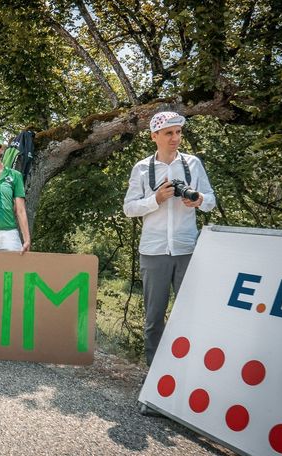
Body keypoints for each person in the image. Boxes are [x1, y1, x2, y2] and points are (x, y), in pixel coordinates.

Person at [123, 111, 216, 373]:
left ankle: (186, 377)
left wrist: (198, 200)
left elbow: (210, 200)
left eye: (178, 132)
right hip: (153, 252)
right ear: (154, 136)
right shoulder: (142, 168)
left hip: (187, 249)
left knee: (190, 317)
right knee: (154, 319)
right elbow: (129, 208)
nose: (175, 138)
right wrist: (157, 199)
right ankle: (154, 379)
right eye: (169, 133)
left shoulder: (193, 164)